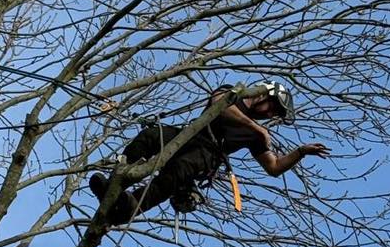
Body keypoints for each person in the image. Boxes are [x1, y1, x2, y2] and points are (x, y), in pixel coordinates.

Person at [88, 81, 328, 224]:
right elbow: (219, 106)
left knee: (177, 172)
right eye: (272, 110)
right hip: (189, 134)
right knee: (150, 136)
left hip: (207, 154)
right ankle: (115, 184)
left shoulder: (255, 136)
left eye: (273, 116)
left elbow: (273, 167)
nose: (269, 116)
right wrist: (256, 127)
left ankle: (130, 207)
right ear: (265, 96)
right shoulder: (235, 95)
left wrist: (300, 152)